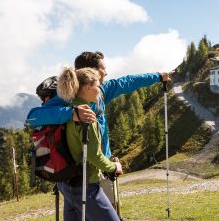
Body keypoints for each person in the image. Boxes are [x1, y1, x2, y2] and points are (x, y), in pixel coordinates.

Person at [26, 51, 171, 201]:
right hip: (79, 173)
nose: (106, 72)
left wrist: (159, 76)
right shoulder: (67, 96)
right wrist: (71, 113)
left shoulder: (100, 91)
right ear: (90, 73)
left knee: (96, 215)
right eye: (103, 68)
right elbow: (33, 117)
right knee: (102, 218)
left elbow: (127, 82)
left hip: (102, 163)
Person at [56, 67, 124, 221]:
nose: (100, 90)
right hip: (86, 186)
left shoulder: (69, 110)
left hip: (66, 183)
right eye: (97, 85)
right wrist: (113, 167)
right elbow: (94, 156)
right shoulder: (87, 117)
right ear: (86, 88)